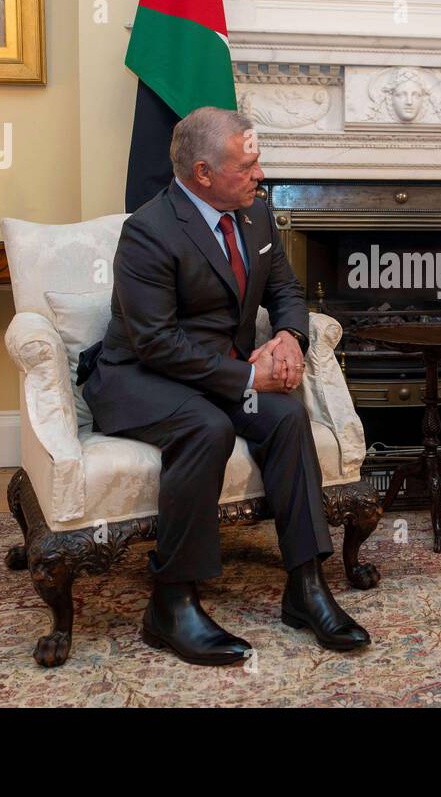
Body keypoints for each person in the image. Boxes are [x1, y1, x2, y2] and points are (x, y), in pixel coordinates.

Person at [82, 106, 369, 665]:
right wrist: (246, 375)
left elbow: (285, 291)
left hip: (216, 373)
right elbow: (154, 343)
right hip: (137, 378)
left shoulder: (256, 217)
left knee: (287, 418)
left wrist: (288, 338)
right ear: (203, 173)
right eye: (247, 166)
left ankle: (305, 587)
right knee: (206, 427)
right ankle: (171, 603)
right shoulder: (148, 231)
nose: (259, 175)